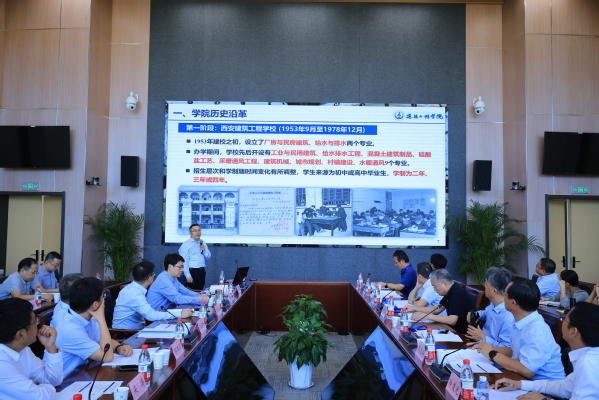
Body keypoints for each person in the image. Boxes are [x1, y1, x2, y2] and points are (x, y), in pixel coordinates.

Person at [493, 302, 599, 400]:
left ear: (573, 332)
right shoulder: (589, 357)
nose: (562, 322)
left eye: (564, 319)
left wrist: (543, 399)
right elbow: (562, 388)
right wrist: (519, 384)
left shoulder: (588, 362)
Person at [474, 277, 565, 381]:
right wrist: (484, 348)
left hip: (544, 387)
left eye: (505, 295)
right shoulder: (522, 320)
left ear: (513, 302)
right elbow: (514, 351)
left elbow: (527, 370)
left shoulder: (536, 330)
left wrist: (492, 353)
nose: (503, 298)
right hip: (524, 381)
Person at [54, 277, 133, 377]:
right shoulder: (71, 329)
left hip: (85, 372)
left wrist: (119, 347)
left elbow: (103, 342)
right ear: (95, 305)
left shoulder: (88, 317)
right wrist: (101, 319)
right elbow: (106, 357)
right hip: (67, 381)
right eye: (102, 297)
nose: (103, 301)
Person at [0, 298, 63, 399]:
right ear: (20, 335)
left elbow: (53, 381)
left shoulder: (23, 349)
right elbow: (39, 397)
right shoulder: (2, 363)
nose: (39, 326)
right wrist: (43, 388)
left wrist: (51, 347)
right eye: (35, 322)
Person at [113, 261, 192, 330]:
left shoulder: (132, 288)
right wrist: (179, 314)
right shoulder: (134, 294)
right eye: (153, 274)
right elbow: (151, 316)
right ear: (149, 278)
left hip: (136, 329)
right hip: (126, 334)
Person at [405, 269, 474, 334]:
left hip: (462, 334)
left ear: (445, 283)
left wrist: (425, 316)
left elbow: (452, 320)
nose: (434, 290)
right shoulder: (450, 290)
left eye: (435, 286)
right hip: (451, 329)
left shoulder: (457, 293)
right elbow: (437, 309)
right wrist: (414, 308)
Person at [465, 267, 515, 347]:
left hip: (491, 351)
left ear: (494, 291)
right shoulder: (494, 303)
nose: (484, 285)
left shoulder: (508, 317)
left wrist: (483, 338)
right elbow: (486, 313)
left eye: (486, 283)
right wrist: (477, 314)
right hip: (480, 345)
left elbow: (506, 349)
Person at [178, 224, 212, 290]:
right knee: (190, 293)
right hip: (192, 272)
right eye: (195, 231)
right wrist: (188, 275)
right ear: (190, 233)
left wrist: (204, 250)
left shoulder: (202, 242)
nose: (198, 232)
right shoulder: (186, 245)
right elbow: (184, 262)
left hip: (201, 272)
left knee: (199, 292)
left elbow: (208, 257)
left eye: (199, 230)